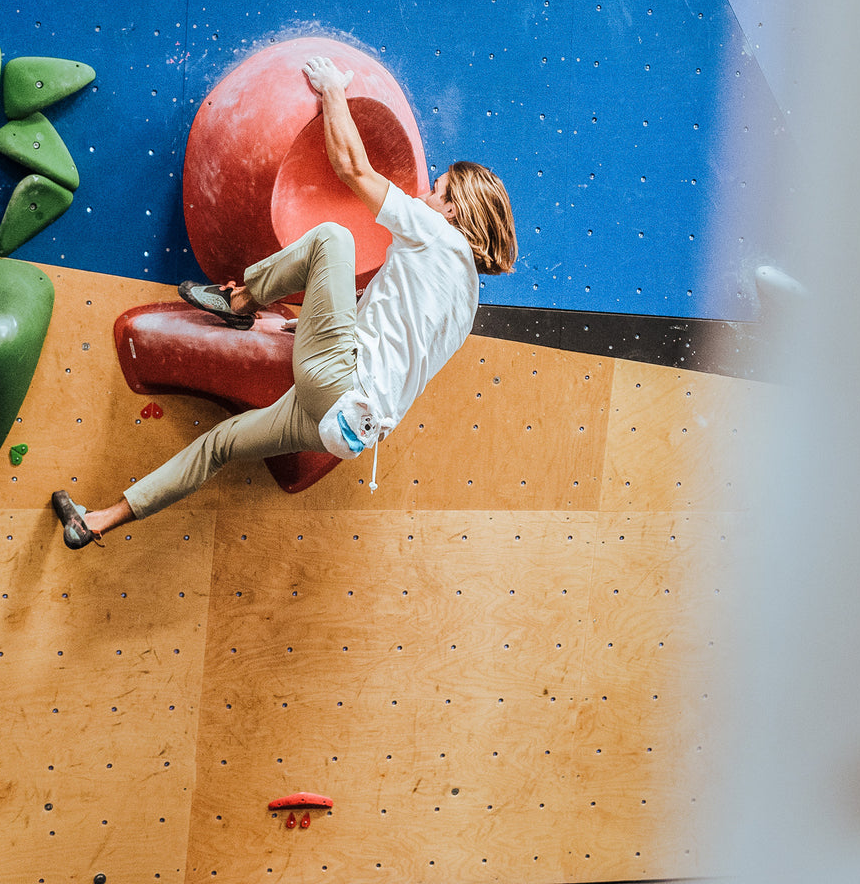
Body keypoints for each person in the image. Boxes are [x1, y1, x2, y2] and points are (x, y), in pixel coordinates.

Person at [51, 54, 517, 548]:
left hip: (338, 381)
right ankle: (95, 521)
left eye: (437, 190)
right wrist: (313, 324)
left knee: (334, 238)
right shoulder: (464, 307)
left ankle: (241, 301)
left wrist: (334, 91)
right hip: (346, 430)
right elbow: (391, 328)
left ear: (455, 210)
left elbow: (353, 168)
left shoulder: (439, 236)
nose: (424, 193)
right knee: (220, 445)